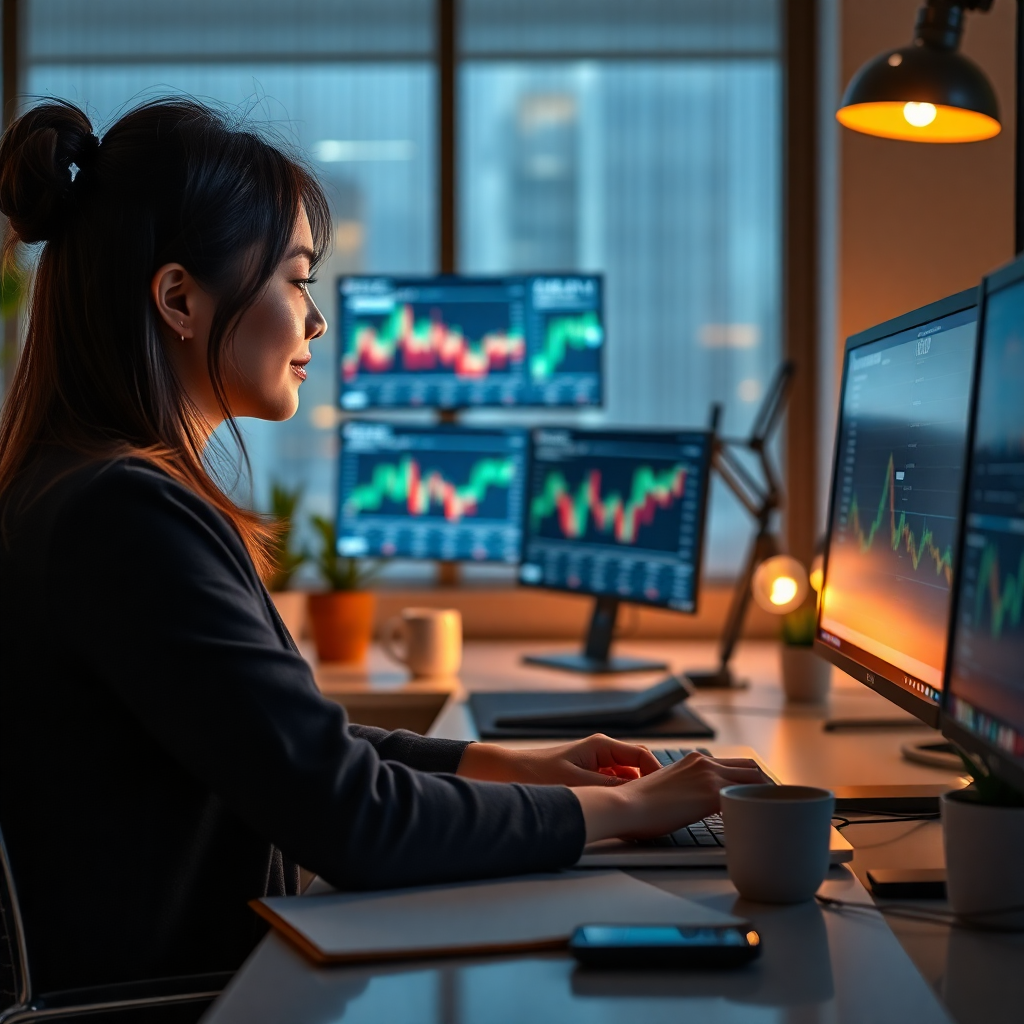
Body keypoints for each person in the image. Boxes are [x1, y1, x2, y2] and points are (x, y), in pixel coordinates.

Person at [0, 98, 763, 994]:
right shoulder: (125, 517)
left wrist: (510, 765)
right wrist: (617, 809)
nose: (316, 323)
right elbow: (350, 820)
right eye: (296, 280)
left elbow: (288, 752)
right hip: (197, 1004)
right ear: (178, 298)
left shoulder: (73, 488)